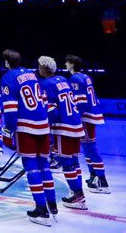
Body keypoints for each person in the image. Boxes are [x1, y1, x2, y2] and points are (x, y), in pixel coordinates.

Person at [0, 49, 56, 226]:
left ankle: (41, 209)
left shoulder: (8, 78)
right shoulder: (31, 75)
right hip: (43, 125)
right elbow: (44, 100)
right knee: (44, 165)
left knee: (31, 167)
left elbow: (10, 108)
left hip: (26, 127)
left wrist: (8, 129)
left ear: (7, 62)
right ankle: (52, 204)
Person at [39, 56, 88, 210]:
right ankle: (78, 191)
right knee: (74, 160)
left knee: (66, 161)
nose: (38, 69)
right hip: (76, 124)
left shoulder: (45, 84)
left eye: (40, 66)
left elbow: (52, 110)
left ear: (45, 68)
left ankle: (77, 194)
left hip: (63, 127)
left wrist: (45, 125)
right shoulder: (62, 79)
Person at [67, 55, 110, 194]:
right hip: (92, 114)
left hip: (86, 117)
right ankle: (93, 176)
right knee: (86, 147)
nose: (65, 64)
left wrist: (75, 117)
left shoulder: (75, 79)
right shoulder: (85, 76)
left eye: (67, 62)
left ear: (72, 64)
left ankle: (102, 180)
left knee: (90, 147)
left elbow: (81, 102)